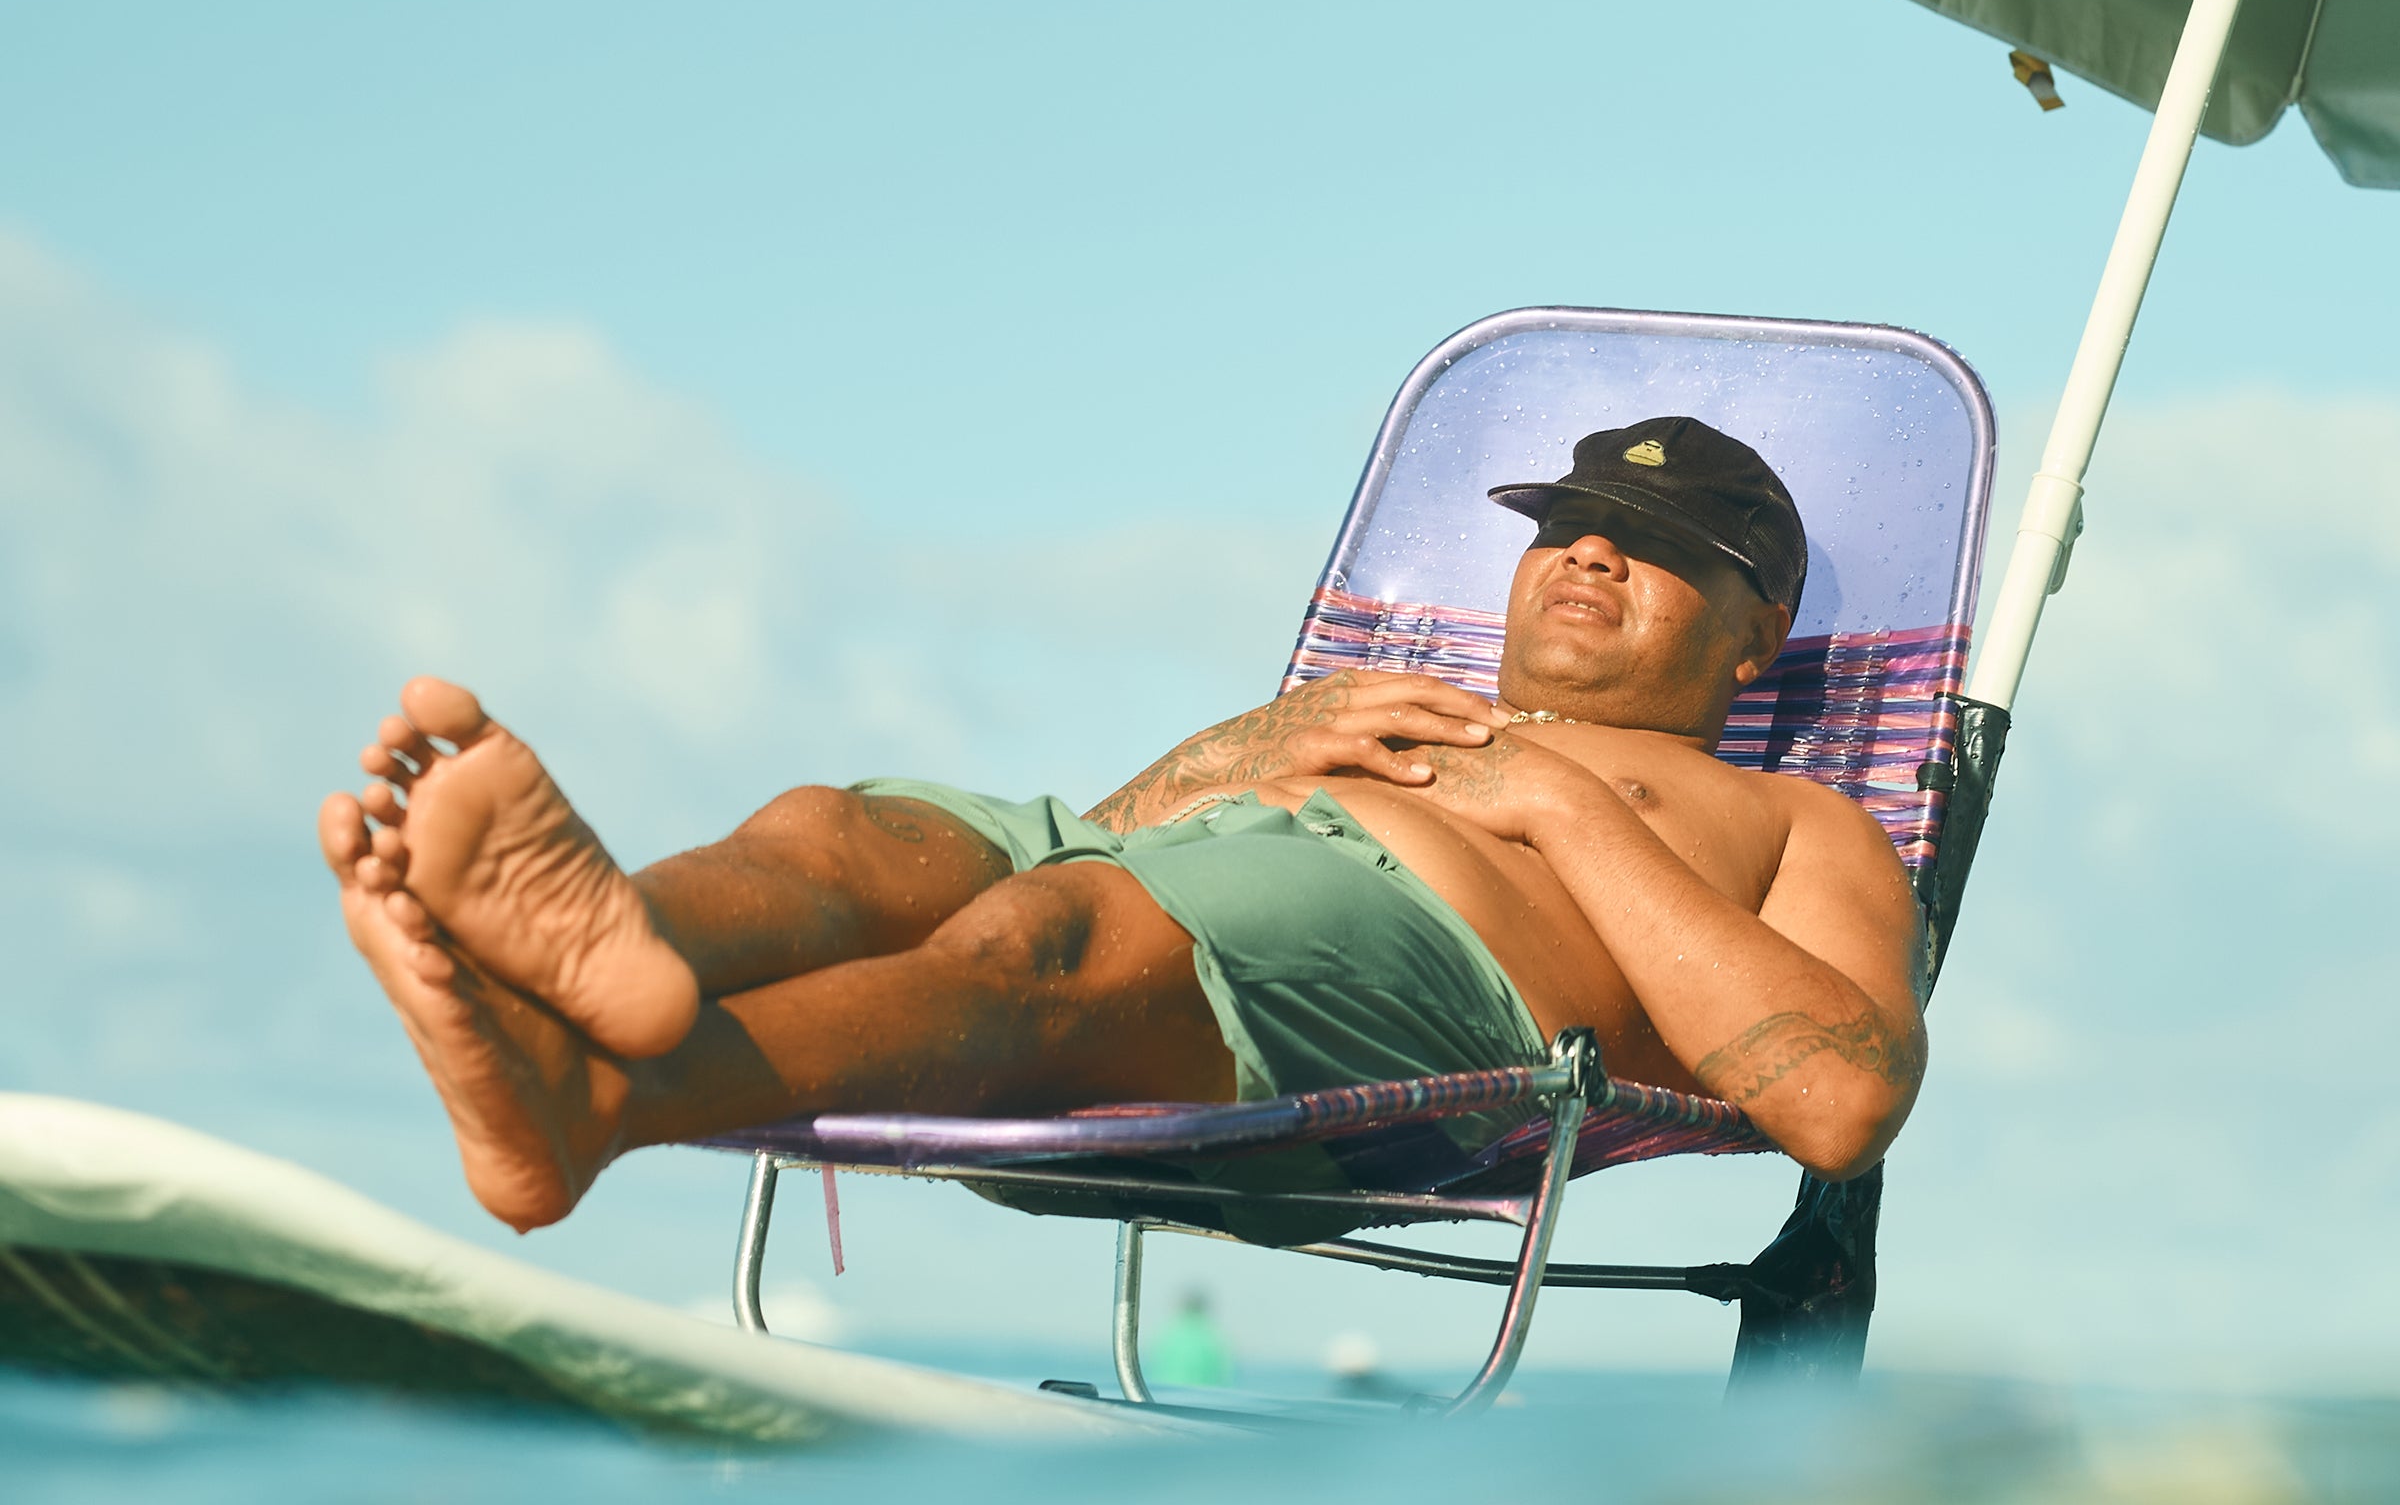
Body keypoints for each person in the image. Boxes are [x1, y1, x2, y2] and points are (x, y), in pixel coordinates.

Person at [318, 416, 1926, 1235]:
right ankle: (591, 954)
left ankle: (601, 1094)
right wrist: (1230, 749)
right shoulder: (1365, 700)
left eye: (1647, 546)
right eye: (1566, 527)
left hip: (1410, 992)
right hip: (1174, 872)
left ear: (1754, 628)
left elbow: (1841, 1102)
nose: (1584, 554)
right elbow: (1106, 835)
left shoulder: (1796, 821)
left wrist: (1569, 810)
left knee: (1041, 942)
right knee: (841, 835)